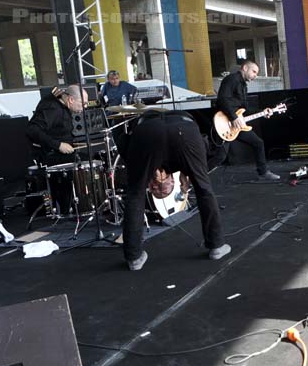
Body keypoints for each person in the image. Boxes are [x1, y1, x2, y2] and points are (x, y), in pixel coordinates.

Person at [119, 110, 230, 271]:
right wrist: (189, 175)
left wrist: (143, 172)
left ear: (151, 184)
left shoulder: (159, 164)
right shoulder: (177, 163)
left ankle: (134, 257)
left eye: (156, 186)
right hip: (182, 128)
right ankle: (216, 245)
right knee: (204, 189)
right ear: (173, 181)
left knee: (135, 194)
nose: (159, 183)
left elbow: (125, 145)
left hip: (149, 131)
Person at [214, 60, 280, 180]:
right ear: (244, 68)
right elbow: (222, 100)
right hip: (224, 122)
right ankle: (193, 177)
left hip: (237, 125)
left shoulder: (244, 86)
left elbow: (244, 110)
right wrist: (233, 117)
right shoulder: (231, 79)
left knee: (258, 143)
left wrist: (263, 112)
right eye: (254, 71)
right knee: (219, 156)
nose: (255, 75)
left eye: (256, 73)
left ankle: (263, 172)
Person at [26, 85, 89, 166]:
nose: (85, 107)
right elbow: (32, 130)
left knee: (88, 158)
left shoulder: (64, 105)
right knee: (86, 161)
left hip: (60, 153)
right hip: (50, 155)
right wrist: (59, 145)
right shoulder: (52, 108)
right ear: (71, 99)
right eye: (84, 103)